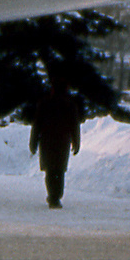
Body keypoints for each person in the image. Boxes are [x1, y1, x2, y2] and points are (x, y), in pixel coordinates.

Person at [29, 77, 82, 208]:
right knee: (59, 170)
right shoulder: (70, 105)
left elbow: (37, 125)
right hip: (63, 142)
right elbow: (75, 126)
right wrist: (76, 143)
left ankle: (52, 196)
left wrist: (33, 142)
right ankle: (56, 197)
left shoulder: (45, 103)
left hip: (47, 142)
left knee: (50, 170)